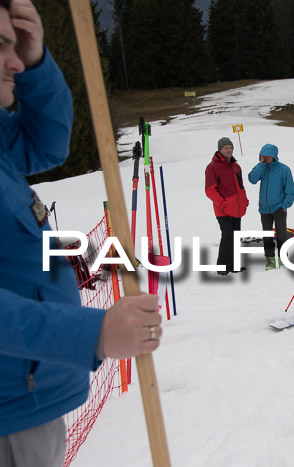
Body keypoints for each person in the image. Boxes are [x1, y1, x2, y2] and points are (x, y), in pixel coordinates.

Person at [0, 1, 161, 465]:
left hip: (28, 394)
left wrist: (35, 65)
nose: (13, 60)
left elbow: (46, 143)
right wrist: (93, 333)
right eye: (1, 47)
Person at [205, 136, 249, 274]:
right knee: (228, 235)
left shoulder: (236, 166)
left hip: (237, 208)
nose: (229, 150)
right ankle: (222, 267)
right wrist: (222, 204)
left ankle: (233, 265)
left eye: (230, 147)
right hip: (223, 210)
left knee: (236, 236)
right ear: (220, 150)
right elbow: (210, 190)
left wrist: (245, 201)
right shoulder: (212, 167)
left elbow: (241, 186)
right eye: (226, 148)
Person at [248, 143, 294, 270]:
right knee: (267, 235)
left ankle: (282, 258)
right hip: (264, 209)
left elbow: (290, 189)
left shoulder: (284, 169)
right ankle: (269, 260)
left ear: (274, 156)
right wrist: (261, 165)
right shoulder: (262, 168)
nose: (266, 158)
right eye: (263, 156)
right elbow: (252, 179)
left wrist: (285, 205)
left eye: (268, 156)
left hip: (279, 208)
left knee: (281, 234)